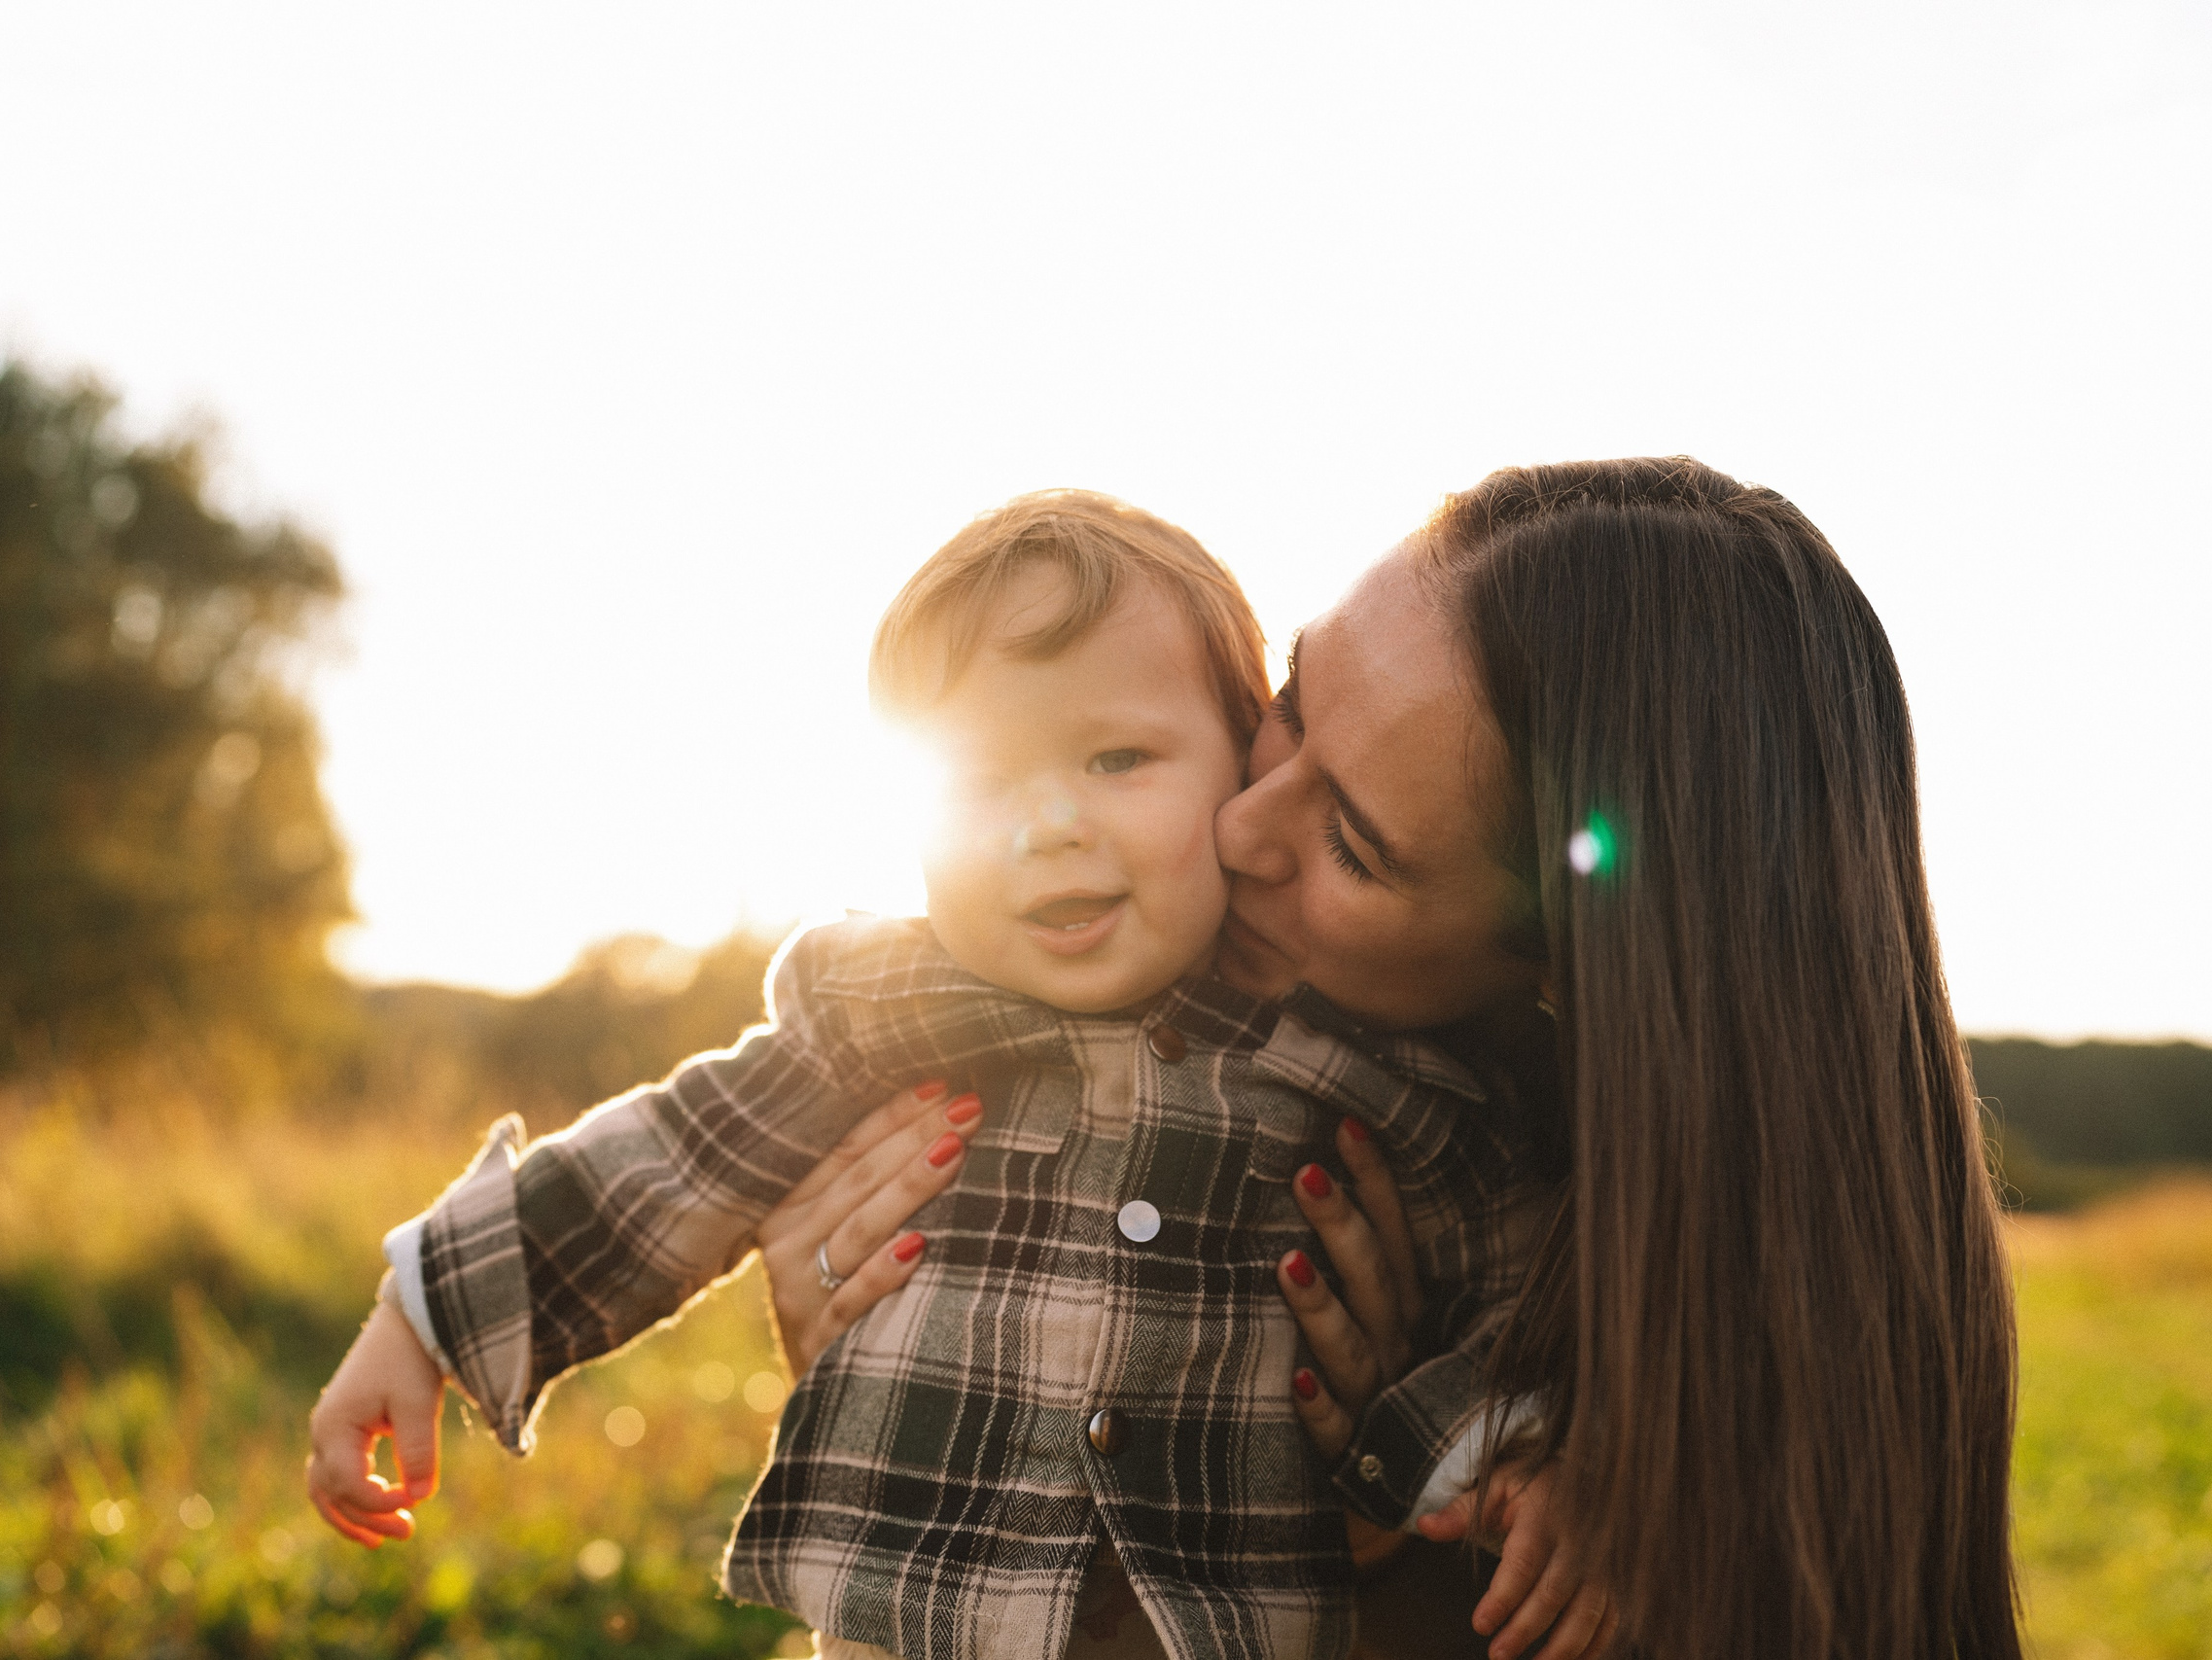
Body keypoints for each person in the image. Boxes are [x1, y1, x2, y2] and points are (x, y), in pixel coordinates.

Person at [775, 458, 2024, 1660]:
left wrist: (1399, 1526)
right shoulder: (1073, 1016)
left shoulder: (1661, 1450)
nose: (1236, 826)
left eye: (1357, 849)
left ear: (1561, 977)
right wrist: (885, 1355)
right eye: (1291, 706)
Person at [304, 490, 1566, 1660]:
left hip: (1215, 1620)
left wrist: (1514, 1452)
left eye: (1117, 759)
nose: (1047, 823)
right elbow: (666, 1158)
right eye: (977, 780)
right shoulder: (883, 1010)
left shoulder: (1358, 1063)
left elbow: (1518, 1287)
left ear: (1239, 757)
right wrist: (418, 1318)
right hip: (922, 1619)